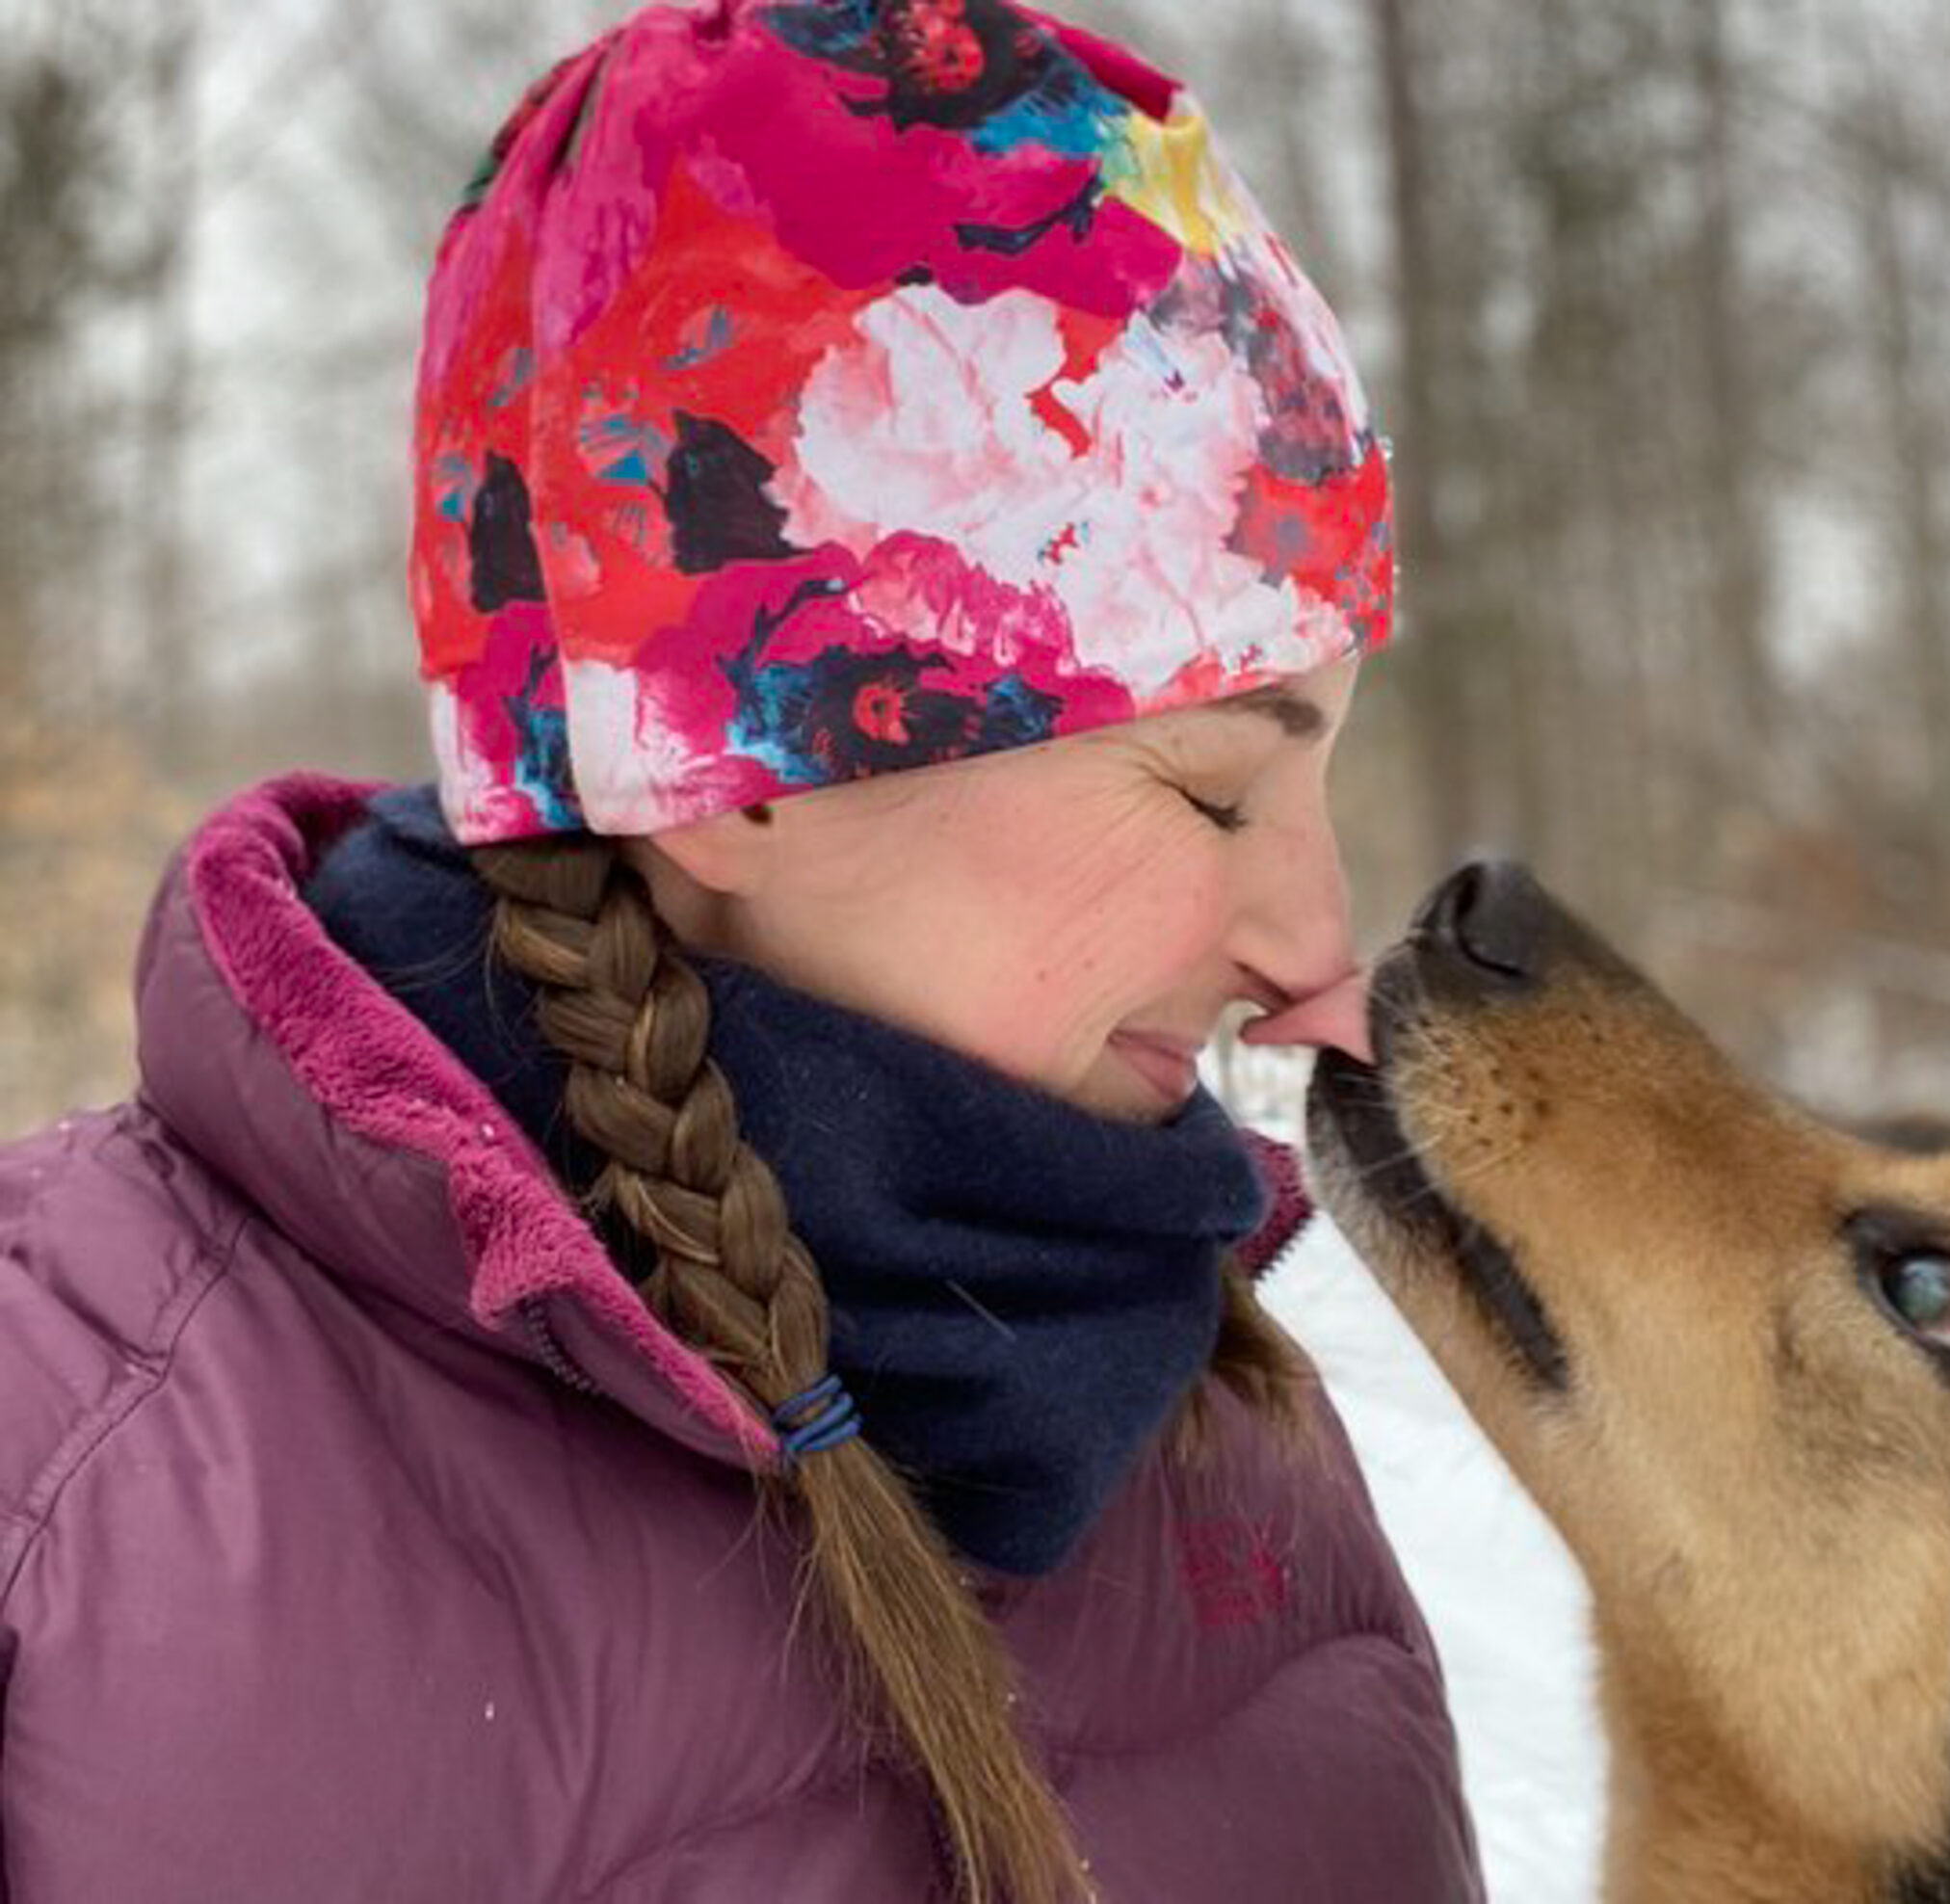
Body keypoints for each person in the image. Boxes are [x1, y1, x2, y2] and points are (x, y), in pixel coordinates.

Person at [0, 4, 1482, 1900]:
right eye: (1206, 793)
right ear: (724, 771)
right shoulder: (69, 1460)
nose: (1309, 947)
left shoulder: (1223, 1419)